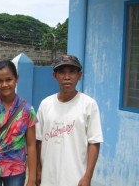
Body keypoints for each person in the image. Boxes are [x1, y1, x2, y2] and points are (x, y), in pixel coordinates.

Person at [36, 54, 103, 186]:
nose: (67, 77)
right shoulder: (45, 104)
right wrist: (38, 170)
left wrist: (88, 176)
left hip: (76, 178)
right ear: (55, 76)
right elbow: (38, 140)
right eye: (62, 72)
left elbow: (94, 142)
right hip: (48, 177)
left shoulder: (89, 105)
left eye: (72, 72)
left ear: (80, 75)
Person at [0, 60, 37, 186]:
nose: (4, 84)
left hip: (16, 170)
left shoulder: (28, 110)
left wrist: (32, 177)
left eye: (9, 79)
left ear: (17, 79)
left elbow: (31, 145)